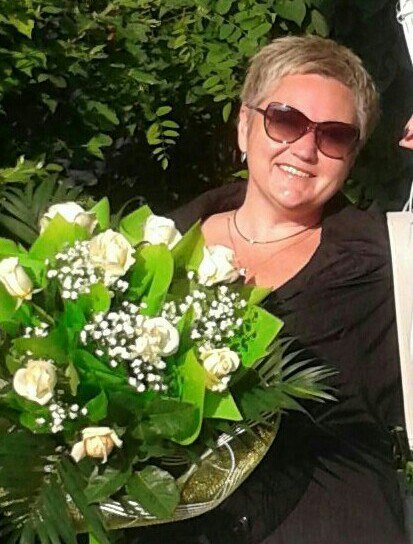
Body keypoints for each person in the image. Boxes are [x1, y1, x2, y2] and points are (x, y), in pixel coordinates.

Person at [133, 36, 409, 543]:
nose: (304, 149)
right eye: (285, 120)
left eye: (334, 135)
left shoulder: (388, 265)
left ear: (352, 156)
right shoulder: (149, 253)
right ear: (245, 125)